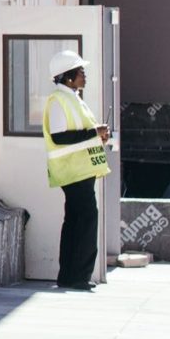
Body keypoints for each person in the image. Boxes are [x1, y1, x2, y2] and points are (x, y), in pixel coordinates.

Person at [42, 51, 111, 291]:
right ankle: (78, 276)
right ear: (68, 77)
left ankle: (69, 276)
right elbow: (60, 137)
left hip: (79, 171)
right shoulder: (59, 101)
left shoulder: (72, 98)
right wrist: (95, 132)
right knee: (85, 220)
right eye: (80, 71)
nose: (85, 75)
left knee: (75, 221)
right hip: (73, 172)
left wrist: (98, 136)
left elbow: (79, 134)